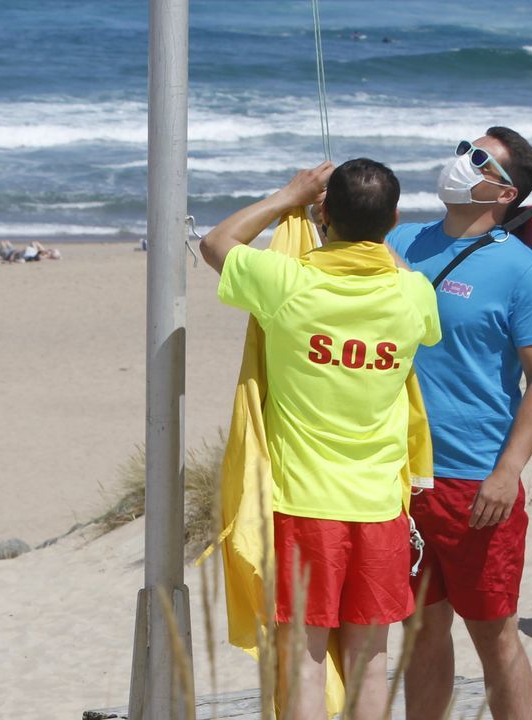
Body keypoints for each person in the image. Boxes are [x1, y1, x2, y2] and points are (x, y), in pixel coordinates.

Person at [201, 158, 441, 720]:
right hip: (380, 508)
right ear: (395, 221)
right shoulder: (413, 296)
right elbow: (405, 279)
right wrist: (371, 234)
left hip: (304, 506)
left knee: (305, 661)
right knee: (369, 664)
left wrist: (289, 196)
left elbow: (217, 242)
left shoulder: (289, 283)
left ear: (323, 213)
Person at [387, 128, 532, 720]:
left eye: (479, 158)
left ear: (504, 193)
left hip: (475, 482)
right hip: (400, 476)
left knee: (495, 636)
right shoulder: (402, 240)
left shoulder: (523, 272)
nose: (461, 162)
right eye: (466, 148)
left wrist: (508, 471)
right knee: (420, 630)